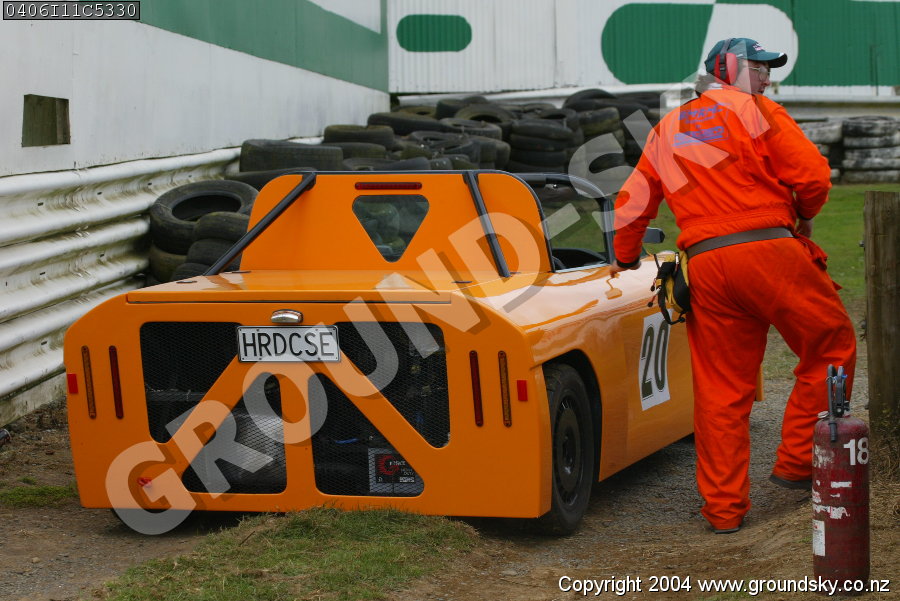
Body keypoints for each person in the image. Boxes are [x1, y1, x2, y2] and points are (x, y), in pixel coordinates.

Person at [608, 38, 857, 534]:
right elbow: (813, 177)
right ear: (729, 70)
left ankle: (723, 511)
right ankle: (797, 463)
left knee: (721, 391)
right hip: (769, 253)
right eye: (759, 68)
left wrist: (625, 256)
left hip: (705, 267)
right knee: (832, 347)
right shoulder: (757, 111)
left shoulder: (668, 127)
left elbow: (632, 203)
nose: (766, 77)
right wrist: (803, 216)